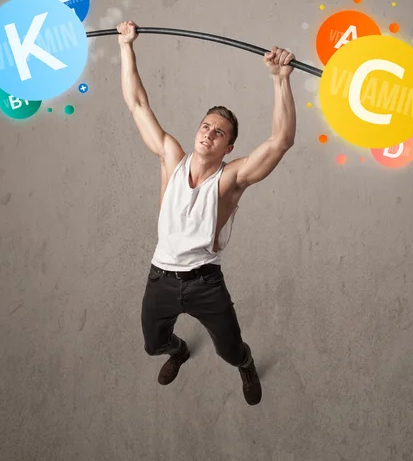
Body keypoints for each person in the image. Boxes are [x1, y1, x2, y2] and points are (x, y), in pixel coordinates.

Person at [117, 20, 296, 406]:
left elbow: (280, 141)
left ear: (228, 147)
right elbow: (136, 103)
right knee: (153, 345)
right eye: (206, 126)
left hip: (205, 284)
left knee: (231, 350)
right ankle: (179, 351)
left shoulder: (231, 180)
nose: (209, 133)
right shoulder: (170, 158)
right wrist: (126, 46)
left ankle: (246, 365)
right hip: (160, 277)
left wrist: (280, 79)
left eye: (219, 133)